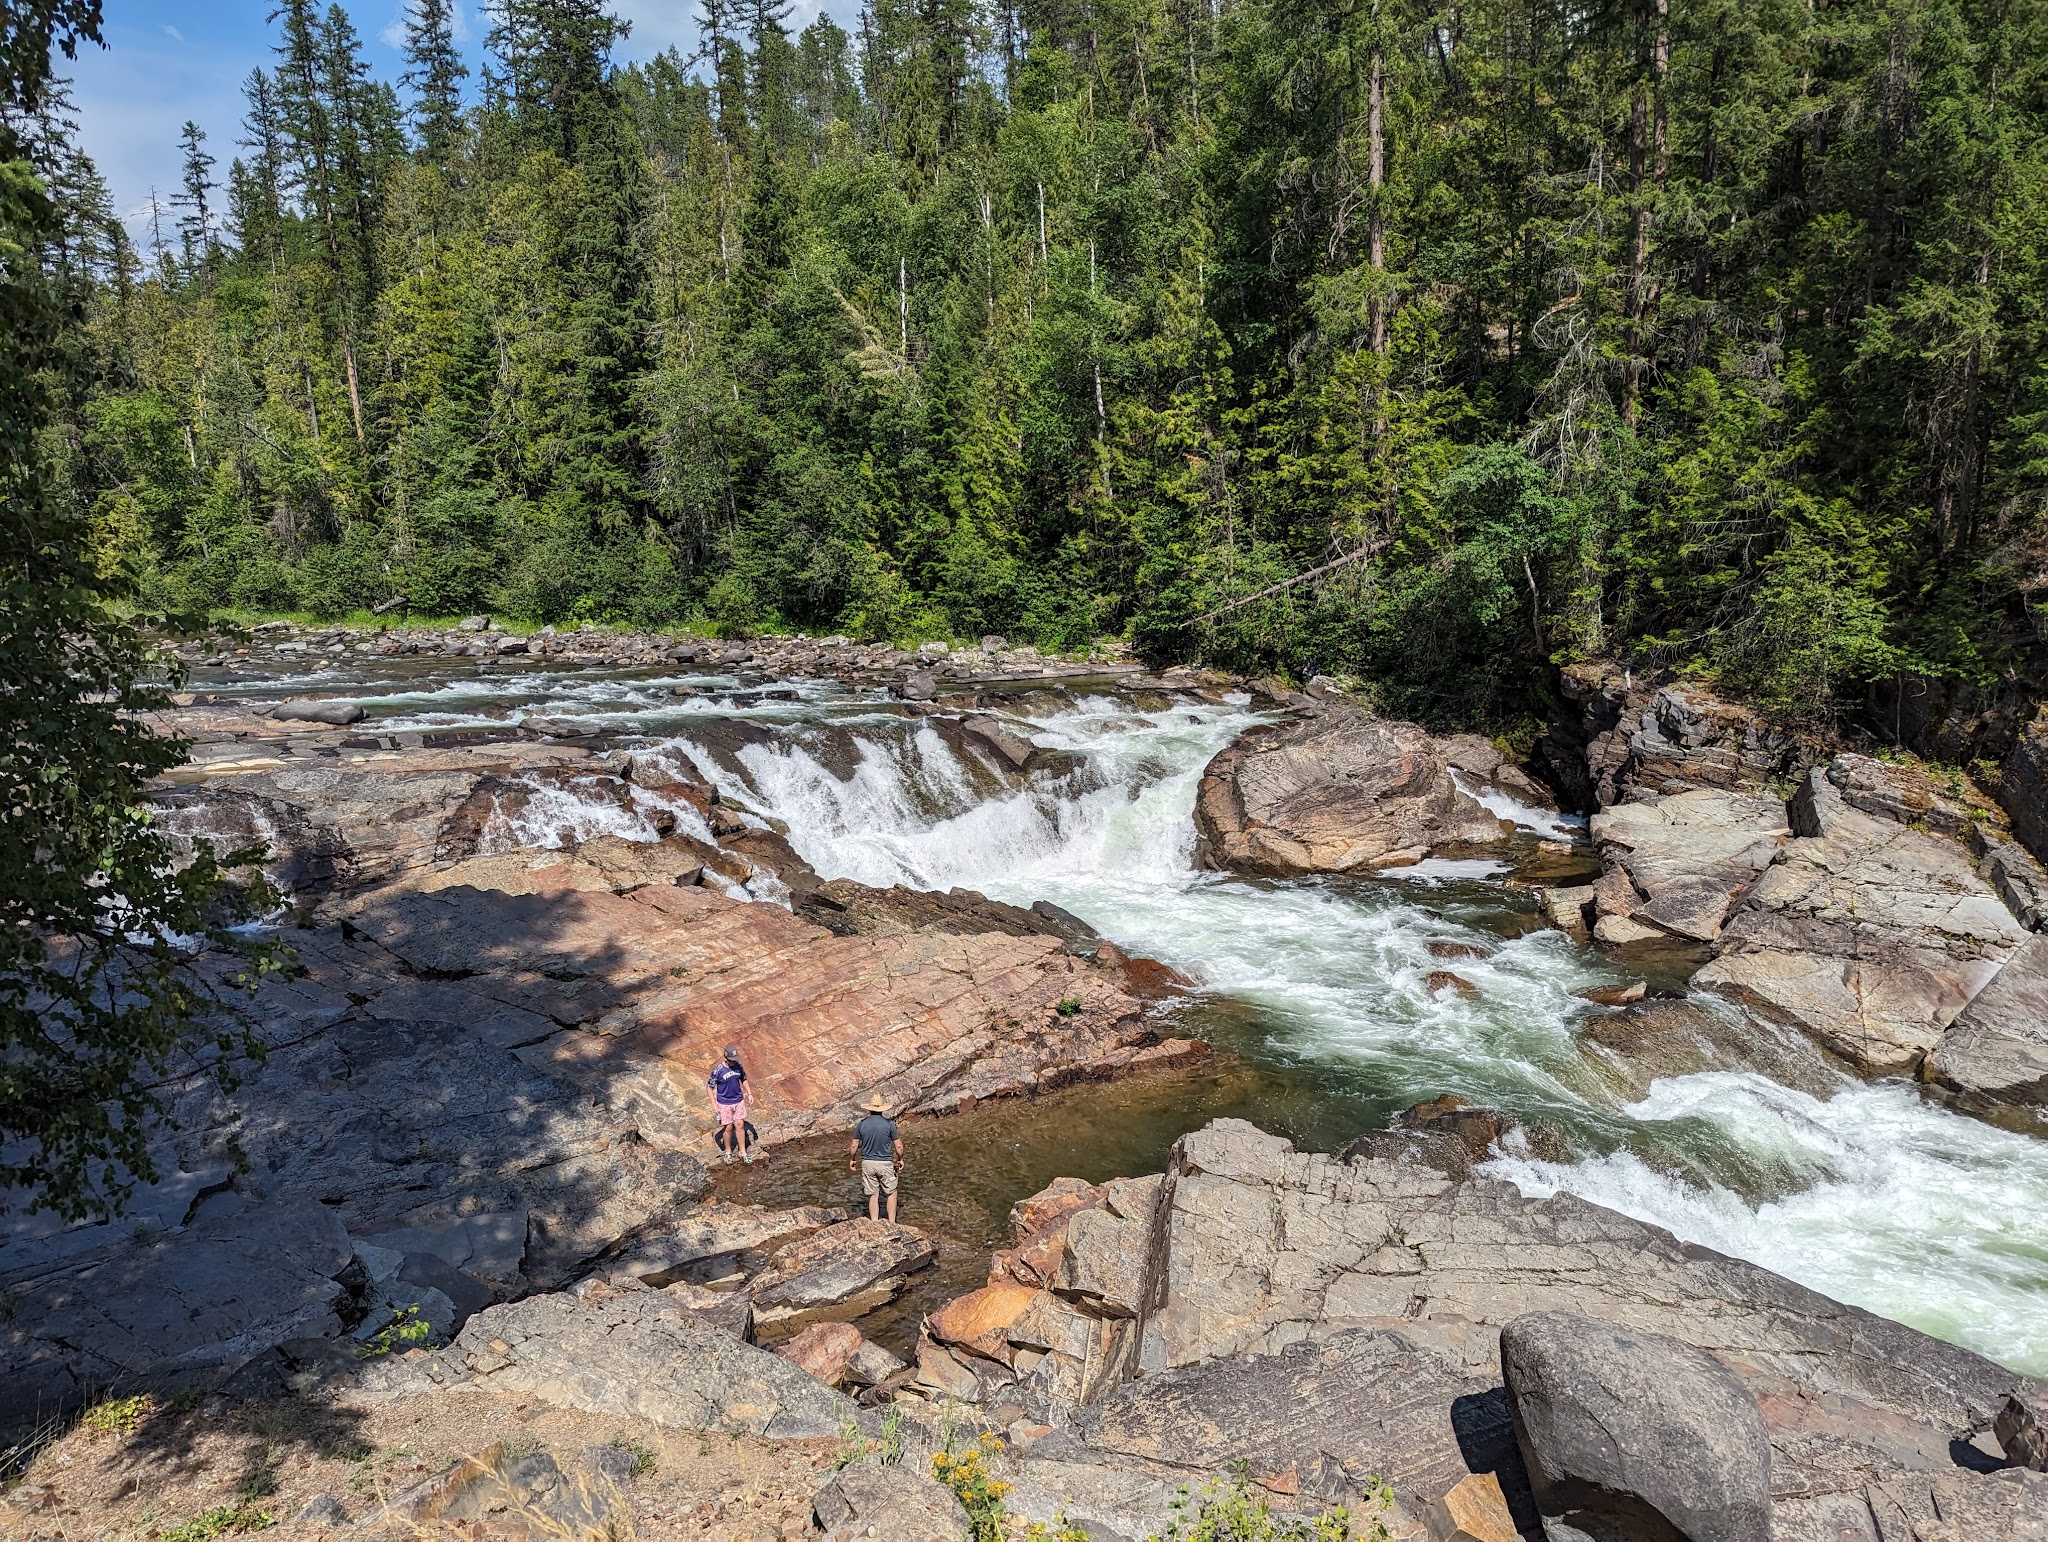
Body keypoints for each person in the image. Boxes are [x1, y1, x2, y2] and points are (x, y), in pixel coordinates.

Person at [848, 1093, 903, 1222]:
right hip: (885, 1163)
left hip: (867, 1163)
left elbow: (854, 1144)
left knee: (873, 1194)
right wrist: (901, 1159)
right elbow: (898, 1146)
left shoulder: (862, 1124)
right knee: (891, 1192)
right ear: (882, 1109)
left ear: (870, 1108)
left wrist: (852, 1159)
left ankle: (874, 1222)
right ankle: (891, 1223)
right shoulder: (889, 1124)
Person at [708, 1045, 752, 1164]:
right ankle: (728, 1152)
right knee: (728, 1127)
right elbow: (709, 1087)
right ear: (726, 1058)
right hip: (724, 1103)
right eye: (732, 1060)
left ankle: (743, 1152)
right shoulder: (718, 1071)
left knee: (740, 1124)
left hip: (738, 1101)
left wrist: (749, 1093)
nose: (734, 1062)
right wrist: (714, 1105)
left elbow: (744, 1078)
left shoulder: (738, 1066)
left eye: (735, 1059)